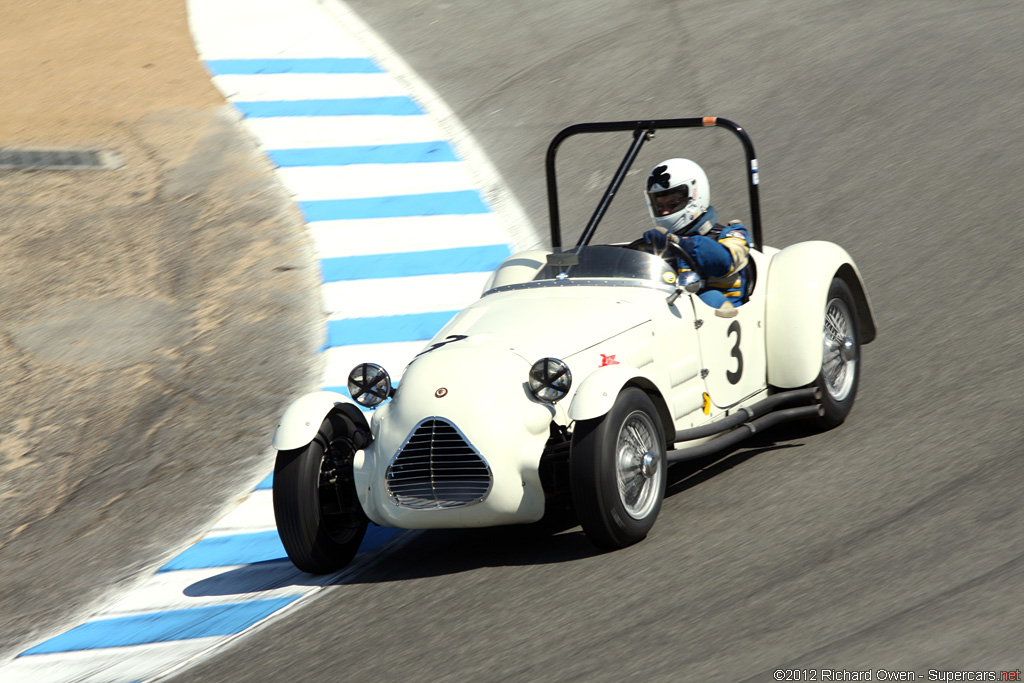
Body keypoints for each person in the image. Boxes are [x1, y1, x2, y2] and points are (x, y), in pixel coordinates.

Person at [642, 158, 751, 309]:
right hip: (673, 318)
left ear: (695, 196)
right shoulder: (660, 244)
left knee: (710, 297)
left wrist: (682, 243)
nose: (665, 212)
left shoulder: (733, 234)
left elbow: (724, 261)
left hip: (723, 320)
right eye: (660, 205)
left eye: (672, 204)